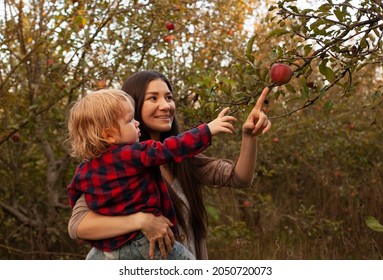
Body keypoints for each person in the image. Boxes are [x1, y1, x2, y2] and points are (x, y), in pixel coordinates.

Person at [68, 71, 271, 260]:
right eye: (153, 98)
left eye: (169, 97)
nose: (165, 105)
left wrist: (249, 137)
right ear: (133, 106)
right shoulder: (113, 171)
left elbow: (240, 178)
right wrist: (142, 221)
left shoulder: (183, 160)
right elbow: (78, 225)